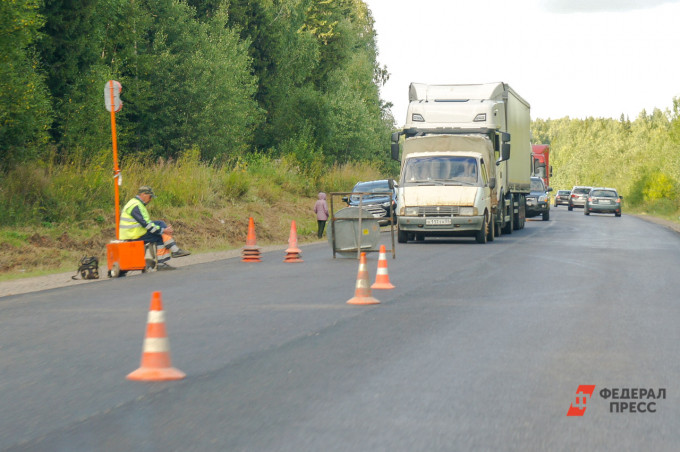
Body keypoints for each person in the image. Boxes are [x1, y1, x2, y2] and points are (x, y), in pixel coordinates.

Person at [119, 186, 190, 270]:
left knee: (160, 223)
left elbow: (147, 223)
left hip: (134, 232)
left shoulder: (136, 203)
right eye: (150, 196)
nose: (150, 199)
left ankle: (173, 250)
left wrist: (163, 229)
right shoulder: (136, 205)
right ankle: (164, 260)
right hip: (133, 235)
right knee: (159, 236)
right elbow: (146, 224)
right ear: (143, 194)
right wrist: (163, 230)